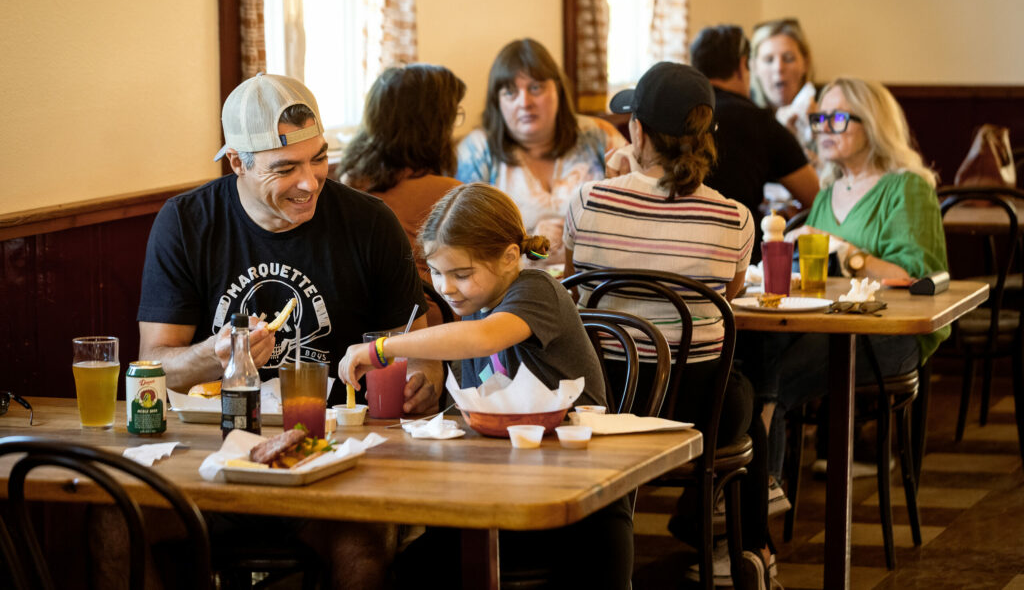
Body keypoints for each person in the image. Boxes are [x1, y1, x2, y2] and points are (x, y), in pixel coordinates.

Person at [135, 72, 440, 589]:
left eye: (319, 157)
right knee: (116, 519)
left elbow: (420, 348)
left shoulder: (369, 222)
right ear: (238, 162)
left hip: (334, 460)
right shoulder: (186, 222)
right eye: (286, 168)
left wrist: (424, 381)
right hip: (212, 460)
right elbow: (153, 367)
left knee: (362, 544)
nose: (310, 181)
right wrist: (217, 353)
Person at [338, 183, 632, 588]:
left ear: (511, 257)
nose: (446, 288)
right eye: (436, 273)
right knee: (412, 569)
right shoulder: (472, 315)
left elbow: (486, 338)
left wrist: (381, 349)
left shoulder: (535, 290)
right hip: (504, 498)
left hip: (579, 507)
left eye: (461, 274)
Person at [563, 62, 774, 589]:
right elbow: (724, 299)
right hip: (700, 411)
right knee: (750, 400)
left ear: (636, 130)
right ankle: (752, 548)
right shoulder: (734, 218)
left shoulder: (588, 202)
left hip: (604, 402)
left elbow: (574, 285)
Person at [752, 77, 949, 487]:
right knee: (748, 360)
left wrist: (843, 251)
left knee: (772, 378)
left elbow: (915, 281)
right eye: (820, 118)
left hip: (889, 335)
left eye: (838, 118)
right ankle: (738, 504)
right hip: (830, 323)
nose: (823, 127)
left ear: (874, 123)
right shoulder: (827, 193)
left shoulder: (906, 187)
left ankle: (749, 507)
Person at [455, 38, 626, 268]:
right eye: (510, 93)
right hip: (511, 295)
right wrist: (529, 243)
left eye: (535, 88)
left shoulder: (599, 136)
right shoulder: (477, 151)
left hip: (594, 284)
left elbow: (637, 212)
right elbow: (461, 246)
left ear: (558, 90)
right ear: (497, 102)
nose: (525, 102)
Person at [338, 63, 465, 325]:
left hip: (365, 327)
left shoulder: (350, 183)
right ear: (433, 127)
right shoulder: (448, 194)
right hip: (429, 325)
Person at [690, 24, 820, 264]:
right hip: (739, 259)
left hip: (674, 253)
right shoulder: (760, 123)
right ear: (743, 66)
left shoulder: (679, 115)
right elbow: (815, 197)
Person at [750, 18, 817, 151]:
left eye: (788, 58)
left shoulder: (825, 118)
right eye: (769, 60)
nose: (779, 68)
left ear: (806, 63)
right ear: (754, 66)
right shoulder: (746, 122)